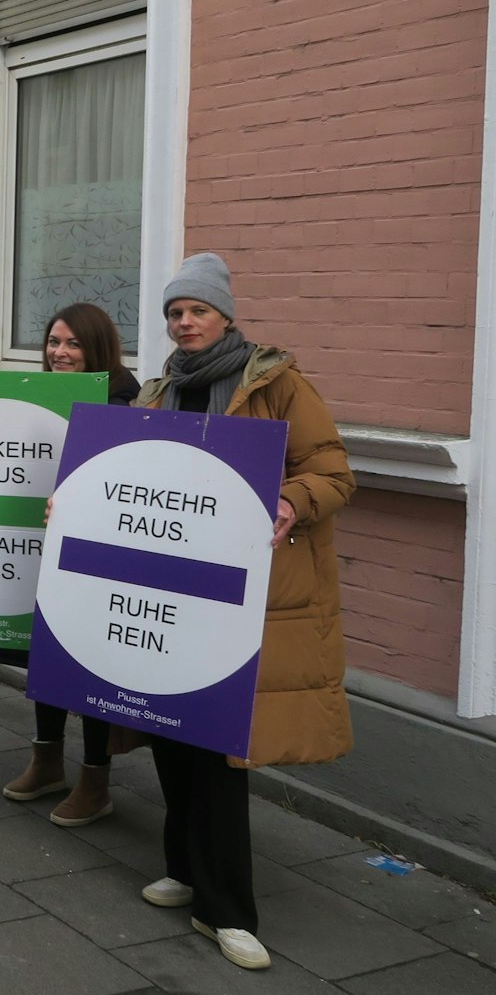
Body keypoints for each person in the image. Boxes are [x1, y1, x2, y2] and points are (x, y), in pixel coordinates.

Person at [131, 252, 354, 971]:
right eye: (175, 311)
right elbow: (127, 476)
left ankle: (227, 909)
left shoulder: (275, 382)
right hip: (171, 589)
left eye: (196, 309)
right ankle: (186, 868)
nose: (185, 321)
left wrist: (293, 500)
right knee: (169, 728)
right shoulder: (159, 389)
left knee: (222, 748)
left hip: (242, 594)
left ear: (225, 313)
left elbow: (333, 470)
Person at [0, 302, 139, 825]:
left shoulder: (124, 401)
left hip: (98, 560)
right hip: (47, 546)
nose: (59, 353)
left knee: (92, 664)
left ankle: (95, 781)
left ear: (97, 348)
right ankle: (47, 761)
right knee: (47, 654)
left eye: (73, 344)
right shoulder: (41, 399)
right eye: (53, 342)